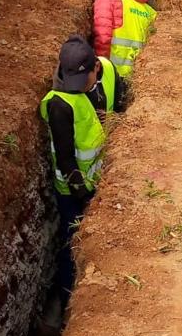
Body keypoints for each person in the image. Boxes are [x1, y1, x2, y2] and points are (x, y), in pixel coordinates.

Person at [39, 36, 126, 310]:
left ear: (95, 69)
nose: (80, 88)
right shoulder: (59, 104)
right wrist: (83, 192)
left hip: (94, 182)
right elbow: (66, 159)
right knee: (73, 244)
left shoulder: (103, 75)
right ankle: (68, 302)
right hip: (72, 191)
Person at [93, 0, 156, 78]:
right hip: (139, 74)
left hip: (115, 72)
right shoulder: (148, 10)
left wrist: (101, 66)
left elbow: (103, 34)